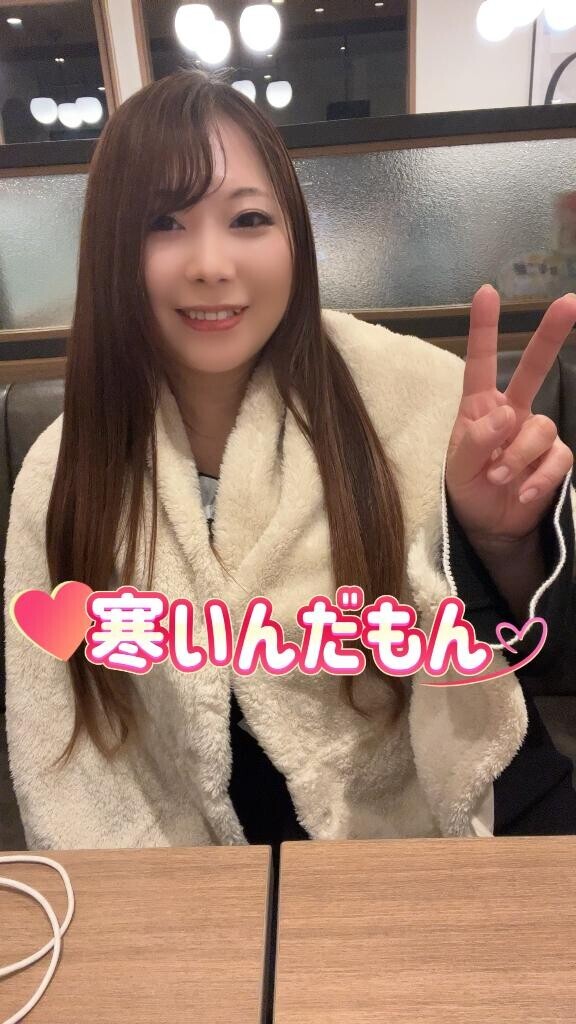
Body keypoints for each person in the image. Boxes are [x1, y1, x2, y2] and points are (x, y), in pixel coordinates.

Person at [4, 69, 576, 854]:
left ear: (294, 238)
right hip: (191, 868)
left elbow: (517, 663)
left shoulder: (415, 398)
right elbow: (60, 738)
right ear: (109, 251)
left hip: (432, 837)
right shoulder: (62, 471)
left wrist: (499, 542)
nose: (211, 263)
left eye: (247, 218)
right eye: (164, 222)